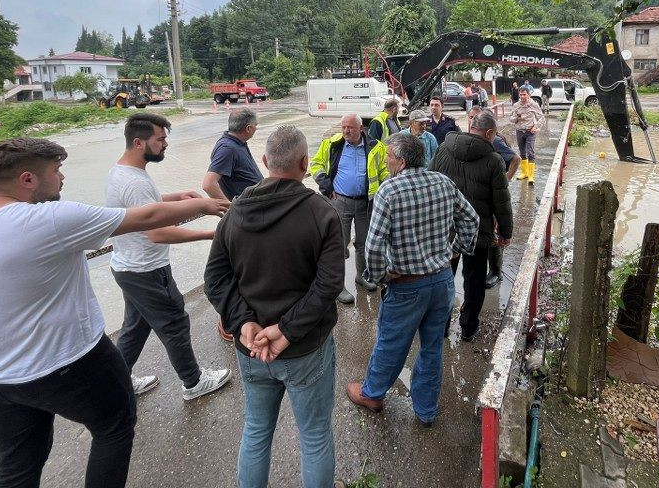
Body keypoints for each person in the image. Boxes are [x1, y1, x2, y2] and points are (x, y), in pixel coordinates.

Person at [0, 137, 229, 488]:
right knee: (114, 429)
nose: (62, 179)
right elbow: (145, 217)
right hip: (69, 365)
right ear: (28, 179)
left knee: (17, 463)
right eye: (56, 171)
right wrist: (207, 205)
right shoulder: (49, 219)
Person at [205, 126, 346, 488]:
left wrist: (243, 324)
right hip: (305, 349)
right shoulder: (322, 212)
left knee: (256, 429)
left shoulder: (235, 213)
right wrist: (285, 331)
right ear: (304, 163)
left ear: (266, 162)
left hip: (252, 349)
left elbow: (215, 279)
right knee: (314, 437)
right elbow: (328, 284)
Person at [346, 133, 478, 425]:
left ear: (401, 161)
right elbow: (472, 220)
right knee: (432, 348)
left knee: (391, 344)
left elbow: (374, 244)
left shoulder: (389, 190)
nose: (387, 161)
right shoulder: (443, 182)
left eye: (389, 157)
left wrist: (379, 277)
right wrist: (452, 252)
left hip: (406, 286)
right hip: (441, 281)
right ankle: (426, 410)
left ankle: (373, 394)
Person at [107, 113, 232, 400]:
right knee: (174, 322)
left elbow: (143, 206)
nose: (166, 145)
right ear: (139, 143)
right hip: (146, 270)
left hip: (128, 266)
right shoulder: (135, 182)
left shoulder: (124, 172)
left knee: (134, 328)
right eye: (160, 139)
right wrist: (210, 235)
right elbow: (157, 233)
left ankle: (117, 382)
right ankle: (194, 382)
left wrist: (175, 197)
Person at [430, 111, 512, 341]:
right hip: (478, 233)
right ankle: (468, 328)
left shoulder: (443, 149)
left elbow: (430, 183)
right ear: (488, 133)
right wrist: (505, 233)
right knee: (474, 282)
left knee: (444, 279)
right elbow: (501, 202)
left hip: (445, 230)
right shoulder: (494, 160)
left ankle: (441, 327)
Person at [309, 113, 389, 304]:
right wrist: (326, 186)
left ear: (361, 128)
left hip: (365, 203)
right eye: (343, 127)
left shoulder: (376, 147)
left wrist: (386, 188)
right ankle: (338, 287)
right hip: (340, 203)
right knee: (338, 245)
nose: (345, 131)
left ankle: (361, 277)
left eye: (350, 127)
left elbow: (384, 171)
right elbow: (316, 164)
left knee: (362, 243)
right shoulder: (332, 144)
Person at [467, 107, 518, 288]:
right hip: (479, 196)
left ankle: (496, 272)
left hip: (494, 196)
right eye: (470, 118)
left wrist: (505, 180)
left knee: (494, 233)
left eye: (474, 118)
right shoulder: (469, 141)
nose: (471, 122)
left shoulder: (494, 141)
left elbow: (515, 159)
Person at [203, 107, 263, 201]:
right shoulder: (227, 149)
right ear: (248, 128)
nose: (256, 128)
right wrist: (231, 209)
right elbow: (208, 185)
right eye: (255, 125)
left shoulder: (237, 143)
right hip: (246, 212)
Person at [511, 88, 546, 183]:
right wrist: (516, 118)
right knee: (522, 152)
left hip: (530, 132)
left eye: (524, 94)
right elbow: (511, 118)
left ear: (528, 95)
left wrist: (536, 126)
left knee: (530, 153)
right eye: (521, 95)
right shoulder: (516, 105)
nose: (522, 96)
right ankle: (524, 173)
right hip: (519, 131)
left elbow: (542, 118)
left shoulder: (534, 105)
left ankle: (531, 176)